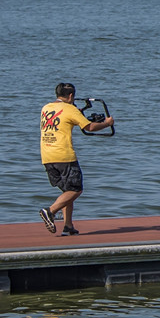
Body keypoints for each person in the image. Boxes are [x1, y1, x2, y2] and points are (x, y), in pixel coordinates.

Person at [39, 82, 114, 235]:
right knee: (76, 189)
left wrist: (76, 113)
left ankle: (68, 226)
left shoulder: (46, 108)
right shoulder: (70, 109)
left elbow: (62, 120)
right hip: (64, 156)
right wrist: (107, 123)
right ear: (71, 96)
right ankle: (50, 211)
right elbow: (89, 127)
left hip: (47, 156)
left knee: (67, 191)